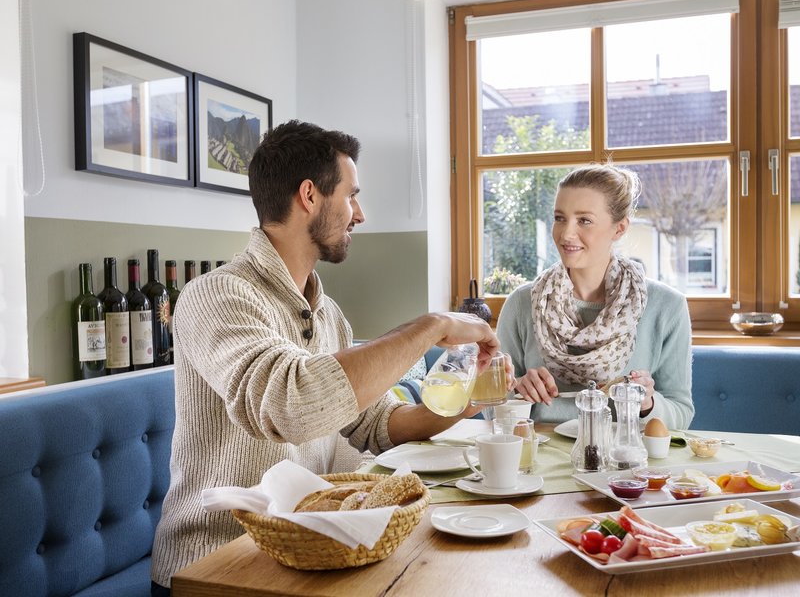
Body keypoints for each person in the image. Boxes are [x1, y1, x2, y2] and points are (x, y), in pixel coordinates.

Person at [150, 120, 501, 594]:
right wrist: (432, 326)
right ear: (310, 196)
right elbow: (288, 405)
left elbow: (375, 424)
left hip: (311, 553)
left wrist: (471, 398)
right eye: (351, 195)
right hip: (218, 564)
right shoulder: (216, 296)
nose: (360, 213)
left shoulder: (326, 312)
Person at [496, 163, 693, 430]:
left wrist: (647, 402)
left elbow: (681, 412)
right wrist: (517, 392)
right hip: (538, 461)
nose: (566, 233)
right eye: (559, 218)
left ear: (619, 229)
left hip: (624, 462)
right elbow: (492, 411)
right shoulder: (522, 303)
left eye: (584, 220)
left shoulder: (667, 307)